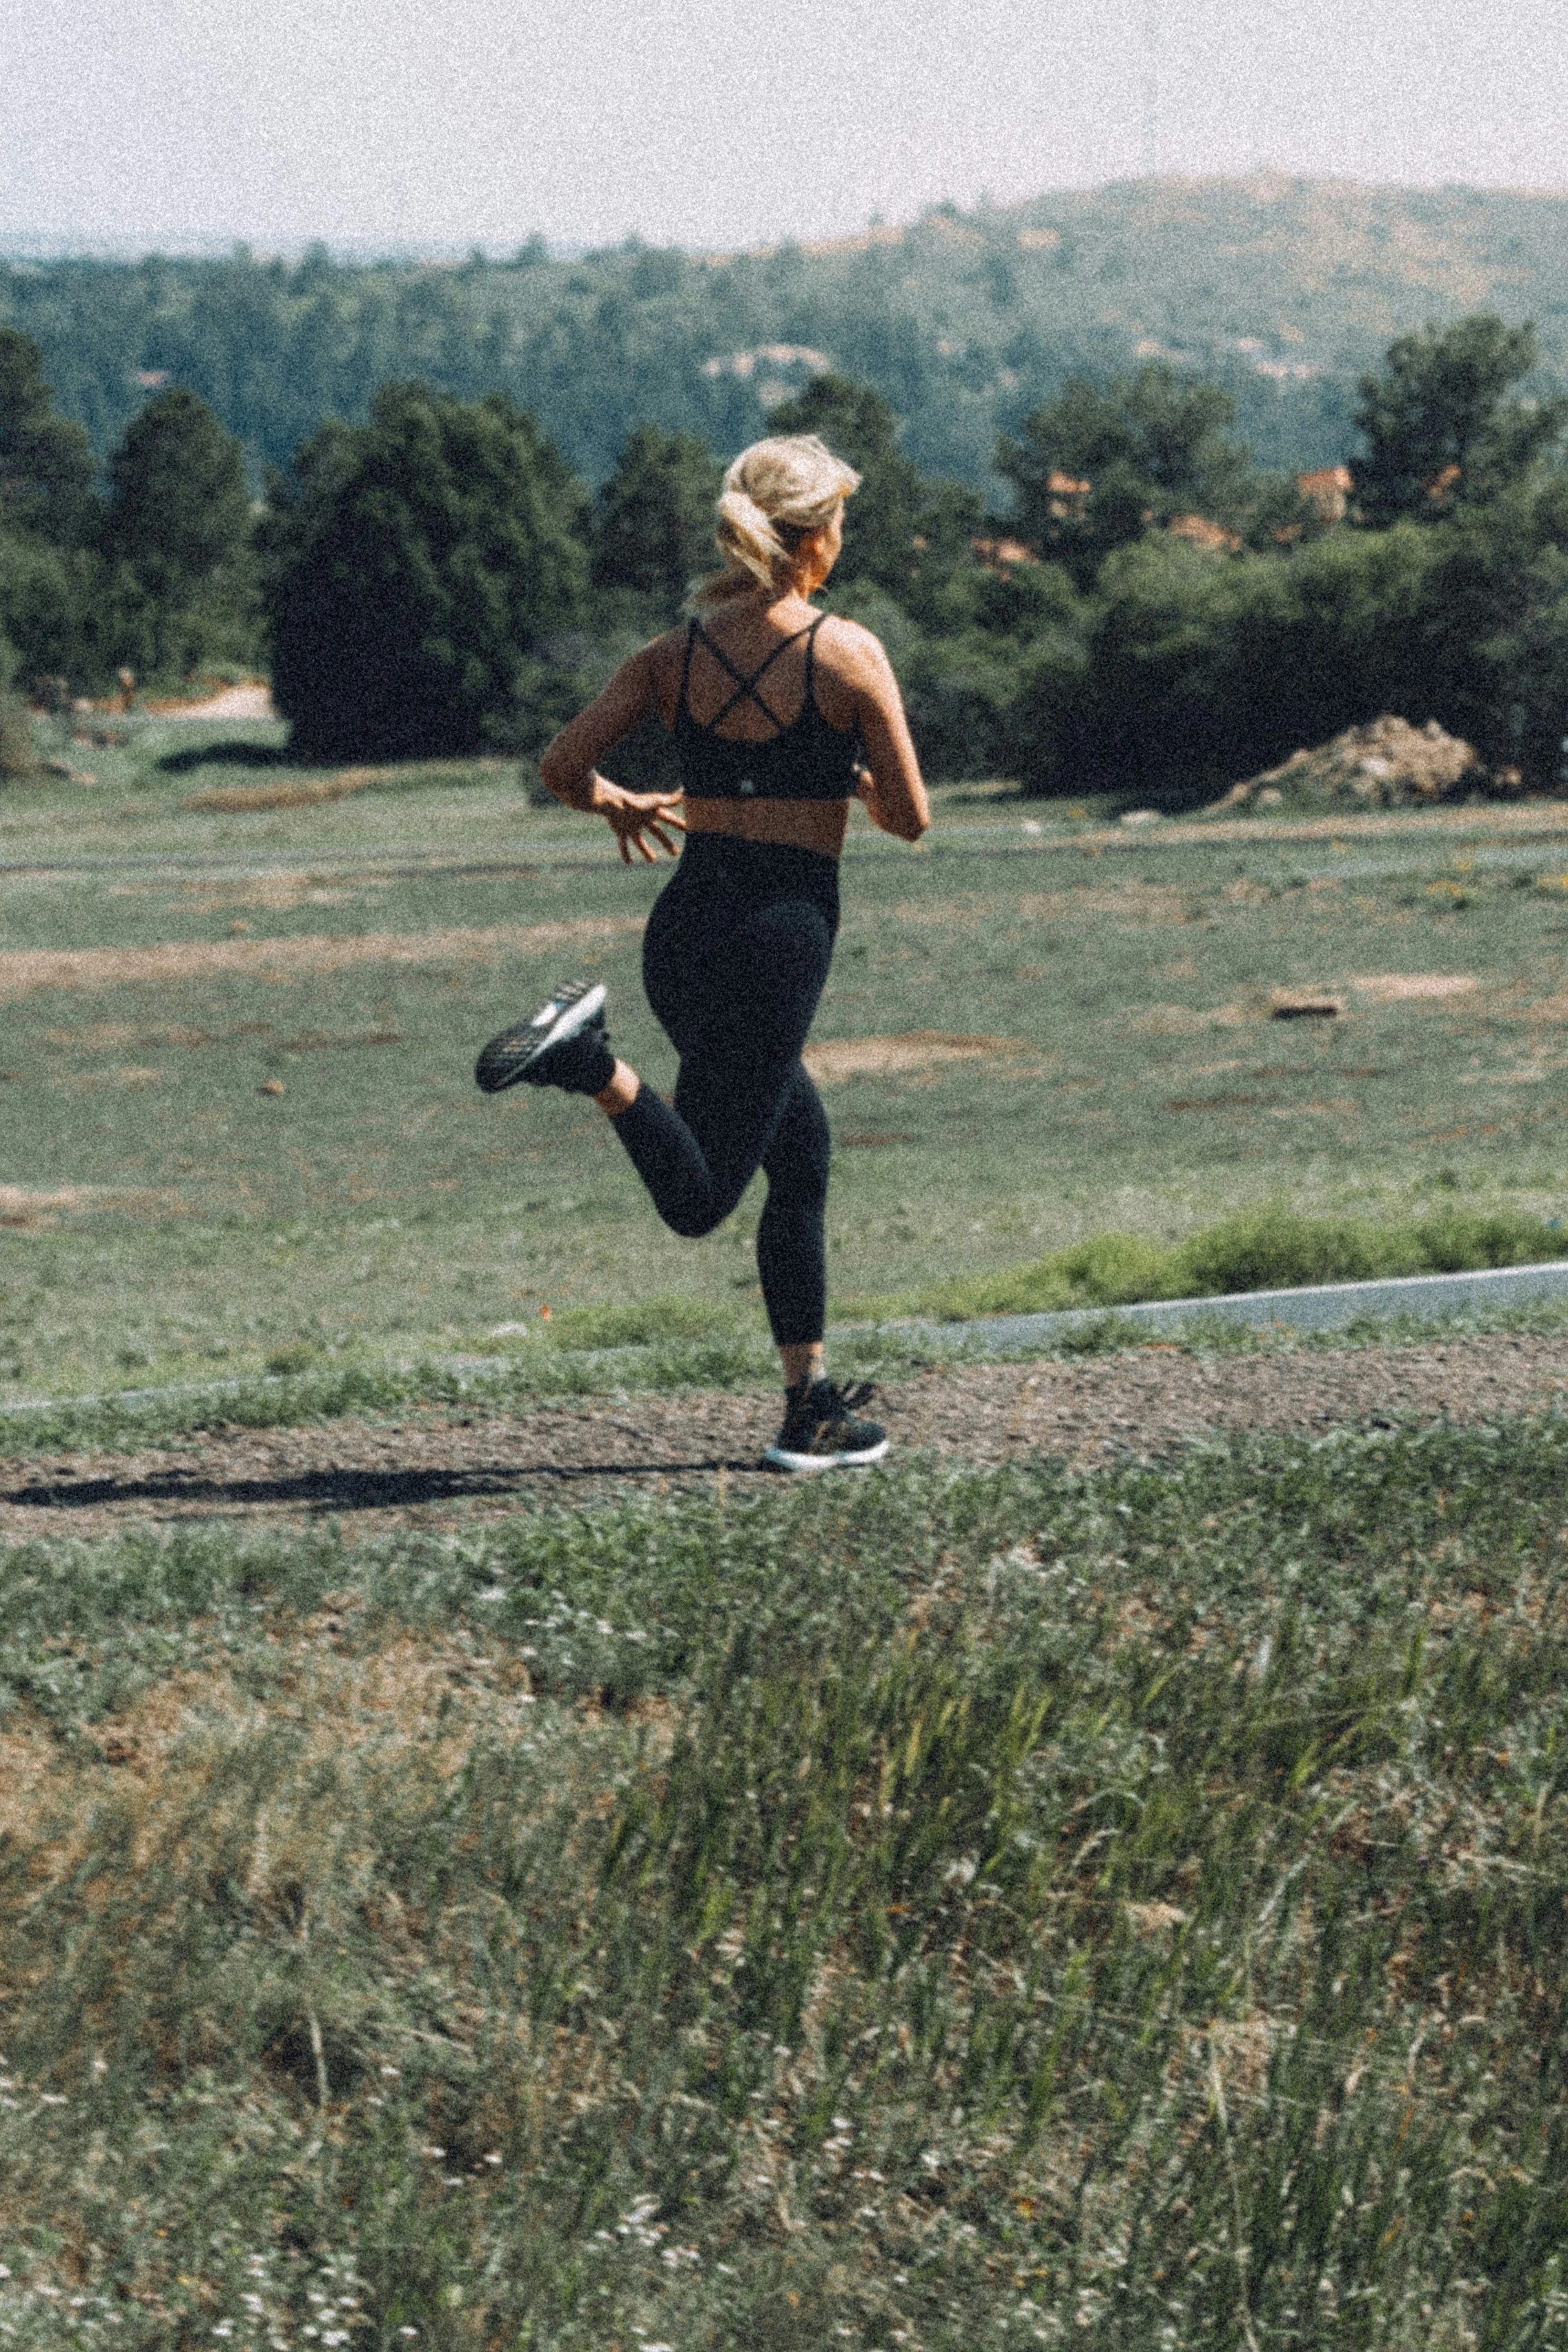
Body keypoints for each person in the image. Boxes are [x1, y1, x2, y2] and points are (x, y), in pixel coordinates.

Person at [476, 433, 930, 1469]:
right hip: (778, 939)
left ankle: (808, 1408)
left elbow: (560, 766)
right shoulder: (846, 653)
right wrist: (850, 782)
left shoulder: (672, 655)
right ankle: (587, 1060)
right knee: (703, 1199)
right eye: (841, 520)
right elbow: (911, 818)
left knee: (799, 1152)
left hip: (685, 929)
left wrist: (615, 799)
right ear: (812, 541)